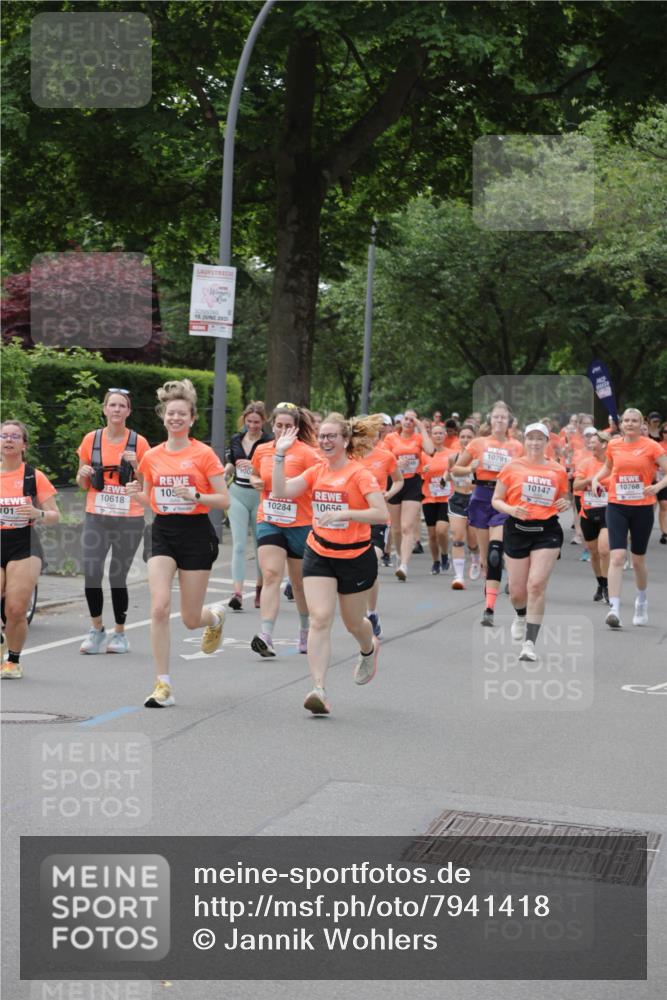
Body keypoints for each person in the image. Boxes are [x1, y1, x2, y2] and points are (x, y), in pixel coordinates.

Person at [271, 413, 387, 715]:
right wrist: (280, 455)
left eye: (331, 436)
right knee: (320, 618)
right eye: (321, 436)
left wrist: (345, 514)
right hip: (319, 552)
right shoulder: (316, 471)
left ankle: (368, 647)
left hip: (355, 556)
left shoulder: (359, 474)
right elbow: (281, 491)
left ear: (345, 440)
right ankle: (318, 688)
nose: (325, 440)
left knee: (353, 623)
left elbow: (380, 514)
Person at [132, 379, 230, 708]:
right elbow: (151, 498)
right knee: (159, 606)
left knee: (189, 618)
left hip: (196, 533)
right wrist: (138, 495)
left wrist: (197, 495)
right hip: (162, 531)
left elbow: (224, 500)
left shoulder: (203, 454)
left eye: (182, 414)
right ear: (163, 417)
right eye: (170, 413)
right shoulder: (152, 457)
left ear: (191, 418)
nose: (176, 418)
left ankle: (213, 618)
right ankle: (163, 684)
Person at [76, 389, 150, 654]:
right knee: (92, 573)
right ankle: (97, 629)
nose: (117, 410)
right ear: (105, 409)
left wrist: (138, 466)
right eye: (113, 405)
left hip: (128, 518)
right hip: (97, 515)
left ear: (128, 412)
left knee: (117, 576)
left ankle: (120, 634)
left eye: (122, 406)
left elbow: (149, 482)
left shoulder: (139, 443)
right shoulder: (91, 439)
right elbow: (81, 481)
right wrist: (83, 473)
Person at [491, 423, 570, 661]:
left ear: (547, 442)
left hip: (546, 531)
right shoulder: (512, 466)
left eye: (540, 439)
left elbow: (563, 498)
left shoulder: (557, 470)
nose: (535, 443)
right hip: (517, 529)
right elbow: (497, 500)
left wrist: (564, 504)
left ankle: (529, 643)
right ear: (525, 441)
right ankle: (520, 613)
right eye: (531, 438)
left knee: (536, 585)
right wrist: (511, 509)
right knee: (517, 592)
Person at [249, 403, 320, 657]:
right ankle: (266, 635)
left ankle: (305, 631)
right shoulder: (262, 450)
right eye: (278, 425)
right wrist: (257, 481)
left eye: (288, 426)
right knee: (270, 574)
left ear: (297, 428)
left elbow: (319, 481)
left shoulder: (309, 453)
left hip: (301, 523)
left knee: (299, 584)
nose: (282, 430)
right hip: (269, 518)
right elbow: (257, 475)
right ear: (272, 425)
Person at [591, 407, 667, 629]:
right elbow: (608, 467)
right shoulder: (614, 444)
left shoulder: (651, 446)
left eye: (634, 421)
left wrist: (658, 485)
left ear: (641, 423)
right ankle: (614, 608)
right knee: (617, 557)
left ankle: (641, 601)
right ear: (621, 424)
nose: (630, 424)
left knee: (637, 561)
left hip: (642, 507)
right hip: (617, 505)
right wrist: (596, 479)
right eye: (627, 421)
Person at [451, 401, 523, 625]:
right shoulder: (478, 443)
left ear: (509, 421)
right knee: (485, 559)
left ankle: (490, 608)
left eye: (503, 417)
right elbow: (456, 469)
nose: (500, 420)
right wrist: (470, 469)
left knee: (494, 551)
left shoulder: (517, 447)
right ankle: (489, 603)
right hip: (481, 496)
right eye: (496, 417)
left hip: (503, 498)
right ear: (490, 420)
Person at [1, 420, 59, 679]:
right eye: (4, 436)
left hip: (24, 544)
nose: (9, 440)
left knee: (15, 608)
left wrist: (38, 512)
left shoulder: (33, 476)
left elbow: (55, 515)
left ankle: (13, 661)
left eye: (15, 436)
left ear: (24, 444)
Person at [224, 401, 272, 612]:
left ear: (263, 422)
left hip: (260, 495)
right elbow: (231, 462)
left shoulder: (269, 441)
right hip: (237, 493)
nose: (252, 425)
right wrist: (225, 470)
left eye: (256, 422)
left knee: (259, 547)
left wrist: (254, 467)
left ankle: (260, 589)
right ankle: (237, 593)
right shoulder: (236, 439)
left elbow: (271, 469)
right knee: (239, 545)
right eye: (249, 421)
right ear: (244, 420)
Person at [358, 419, 404, 636]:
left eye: (370, 434)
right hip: (354, 517)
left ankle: (371, 612)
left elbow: (398, 480)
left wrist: (389, 493)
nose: (366, 438)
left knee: (370, 560)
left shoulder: (385, 456)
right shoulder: (349, 456)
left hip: (377, 517)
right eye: (361, 434)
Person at [383, 409, 434, 581]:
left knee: (407, 526)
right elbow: (384, 459)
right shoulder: (391, 438)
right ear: (401, 420)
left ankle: (404, 565)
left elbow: (431, 450)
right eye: (406, 418)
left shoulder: (419, 439)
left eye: (412, 420)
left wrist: (423, 429)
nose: (408, 422)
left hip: (412, 482)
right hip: (395, 482)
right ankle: (399, 556)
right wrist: (396, 463)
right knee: (396, 528)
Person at [573, 430, 611, 603]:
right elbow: (576, 485)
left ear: (604, 444)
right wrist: (591, 480)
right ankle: (600, 584)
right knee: (594, 553)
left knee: (604, 550)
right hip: (588, 512)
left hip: (609, 512)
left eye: (593, 442)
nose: (590, 445)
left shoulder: (613, 464)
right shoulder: (585, 463)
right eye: (588, 442)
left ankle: (608, 586)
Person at [446, 423, 480, 588]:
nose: (466, 440)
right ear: (458, 439)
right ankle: (458, 576)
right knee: (458, 538)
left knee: (473, 541)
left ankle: (475, 558)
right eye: (463, 437)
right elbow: (449, 475)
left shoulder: (479, 459)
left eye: (469, 437)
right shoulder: (453, 458)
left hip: (475, 500)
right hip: (458, 499)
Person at [420, 424, 453, 574]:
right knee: (432, 534)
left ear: (445, 435)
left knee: (441, 530)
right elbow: (418, 475)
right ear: (431, 436)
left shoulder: (453, 454)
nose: (438, 436)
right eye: (435, 433)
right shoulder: (424, 454)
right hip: (429, 497)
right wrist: (423, 471)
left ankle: (445, 554)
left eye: (441, 433)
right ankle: (436, 561)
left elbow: (458, 473)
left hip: (447, 497)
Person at [658, 421, 667, 543]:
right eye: (665, 432)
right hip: (662, 479)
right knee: (664, 504)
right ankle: (665, 532)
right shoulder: (657, 446)